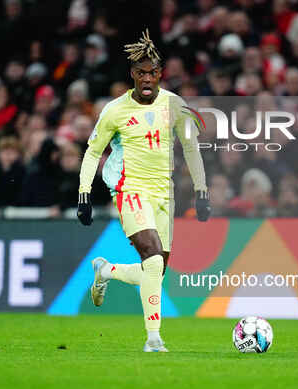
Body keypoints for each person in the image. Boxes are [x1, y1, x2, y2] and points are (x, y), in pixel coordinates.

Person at [77, 30, 210, 352]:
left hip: (164, 193)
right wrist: (84, 193)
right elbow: (94, 151)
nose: (147, 78)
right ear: (132, 75)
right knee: (152, 257)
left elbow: (191, 149)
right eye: (141, 73)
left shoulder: (174, 106)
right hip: (130, 188)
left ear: (160, 74)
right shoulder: (115, 110)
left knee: (156, 269)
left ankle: (106, 270)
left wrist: (202, 190)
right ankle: (154, 339)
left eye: (153, 72)